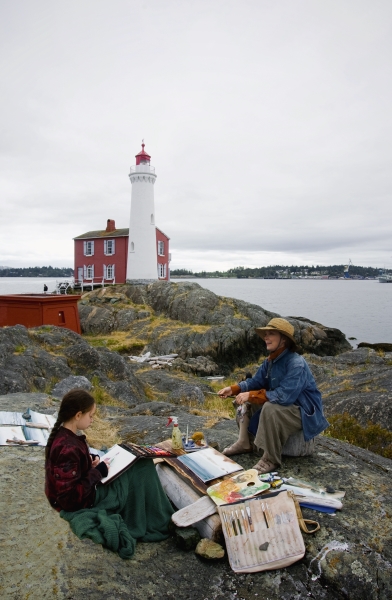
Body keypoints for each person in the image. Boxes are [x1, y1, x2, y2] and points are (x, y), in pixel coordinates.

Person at [45, 390, 173, 558]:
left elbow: (71, 471)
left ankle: (155, 512)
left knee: (139, 464)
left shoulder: (65, 437)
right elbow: (69, 499)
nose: (92, 420)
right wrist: (97, 472)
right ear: (78, 415)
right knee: (143, 466)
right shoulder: (67, 448)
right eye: (90, 416)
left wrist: (89, 463)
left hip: (88, 489)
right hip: (88, 500)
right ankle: (160, 519)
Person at [218, 318, 328, 475]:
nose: (266, 338)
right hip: (285, 407)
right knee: (245, 402)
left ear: (284, 340)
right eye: (265, 334)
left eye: (271, 334)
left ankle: (271, 459)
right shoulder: (271, 361)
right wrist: (234, 389)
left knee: (270, 408)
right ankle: (244, 442)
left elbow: (285, 396)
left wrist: (251, 394)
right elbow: (256, 381)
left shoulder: (296, 364)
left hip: (303, 412)